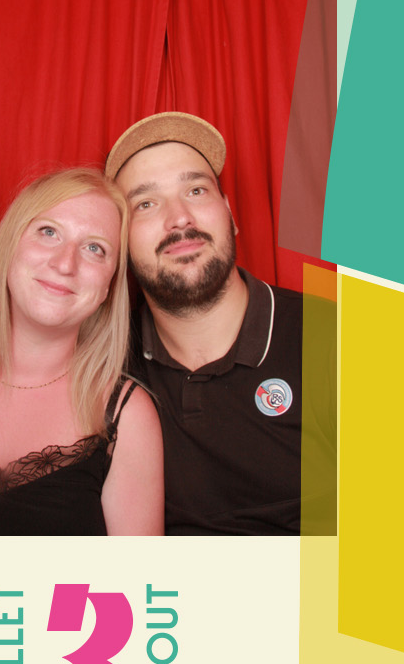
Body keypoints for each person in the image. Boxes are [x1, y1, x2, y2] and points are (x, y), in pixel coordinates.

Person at [0, 167, 162, 536]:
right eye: (48, 232)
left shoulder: (129, 417)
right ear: (10, 246)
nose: (65, 264)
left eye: (94, 248)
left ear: (109, 286)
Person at [106, 111, 336, 536]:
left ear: (230, 213)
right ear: (119, 241)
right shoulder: (102, 364)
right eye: (146, 203)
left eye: (196, 190)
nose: (179, 218)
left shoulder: (340, 338)